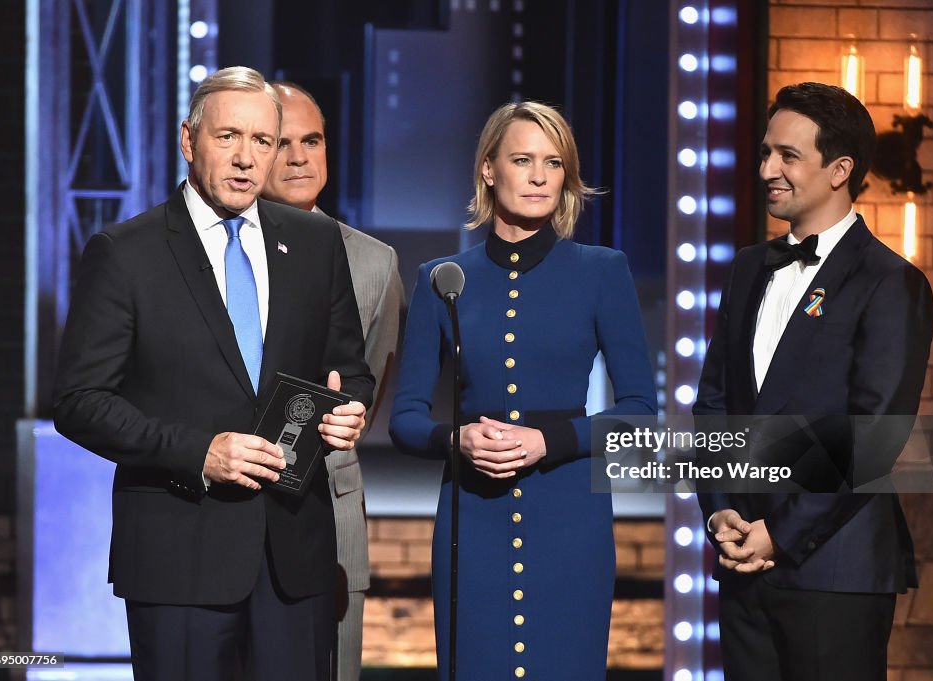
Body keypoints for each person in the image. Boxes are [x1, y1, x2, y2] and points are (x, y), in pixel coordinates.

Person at [53, 66, 375, 681]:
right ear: (188, 140)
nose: (247, 158)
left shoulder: (313, 243)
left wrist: (350, 410)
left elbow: (349, 372)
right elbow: (79, 400)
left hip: (292, 555)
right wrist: (200, 453)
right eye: (229, 137)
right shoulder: (127, 253)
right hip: (180, 555)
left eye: (263, 141)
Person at [389, 101, 656, 681]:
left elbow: (640, 413)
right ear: (489, 170)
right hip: (471, 518)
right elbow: (405, 417)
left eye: (553, 163)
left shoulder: (601, 271)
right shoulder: (441, 279)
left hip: (570, 517)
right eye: (522, 160)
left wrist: (548, 441)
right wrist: (454, 438)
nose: (538, 176)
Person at [694, 82, 933, 681]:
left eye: (787, 155)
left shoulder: (889, 282)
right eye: (765, 152)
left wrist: (779, 533)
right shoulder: (750, 266)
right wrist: (721, 512)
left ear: (839, 170)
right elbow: (715, 406)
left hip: (836, 570)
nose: (767, 169)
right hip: (742, 561)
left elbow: (872, 437)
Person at [262, 81, 404, 681]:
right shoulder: (207, 251)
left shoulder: (374, 262)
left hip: (331, 513)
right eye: (282, 142)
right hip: (224, 513)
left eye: (312, 141)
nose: (299, 157)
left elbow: (375, 380)